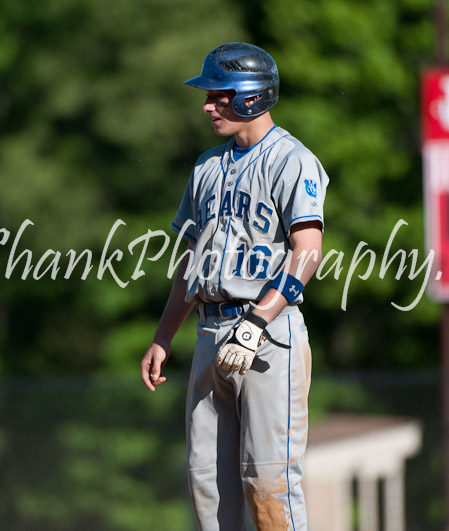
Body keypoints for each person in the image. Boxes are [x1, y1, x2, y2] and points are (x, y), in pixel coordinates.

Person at [140, 42, 329, 530]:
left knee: (267, 483)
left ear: (250, 97)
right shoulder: (205, 168)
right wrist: (164, 336)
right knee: (208, 486)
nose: (207, 105)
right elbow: (190, 262)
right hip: (208, 336)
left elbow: (307, 251)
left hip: (269, 337)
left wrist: (258, 320)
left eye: (218, 95)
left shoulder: (291, 160)